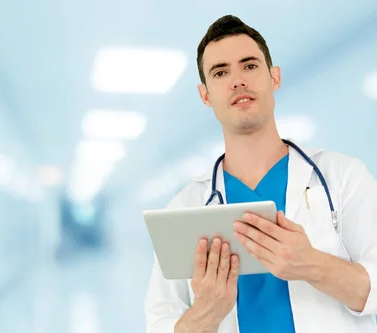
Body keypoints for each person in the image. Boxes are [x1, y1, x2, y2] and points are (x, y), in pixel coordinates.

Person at [144, 14, 377, 333]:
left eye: (250, 65)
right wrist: (207, 313)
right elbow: (159, 322)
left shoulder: (343, 177)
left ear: (274, 77)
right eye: (221, 72)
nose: (237, 80)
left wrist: (311, 264)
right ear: (206, 95)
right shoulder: (184, 208)